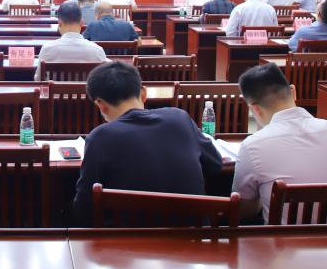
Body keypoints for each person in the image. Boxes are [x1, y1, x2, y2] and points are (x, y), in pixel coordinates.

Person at [73, 62, 222, 225]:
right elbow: (215, 164)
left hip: (127, 239)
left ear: (100, 104)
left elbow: (84, 207)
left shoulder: (100, 137)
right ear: (143, 93)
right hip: (194, 237)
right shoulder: (180, 118)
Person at [233, 63, 327, 221]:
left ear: (254, 109)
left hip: (284, 237)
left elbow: (244, 210)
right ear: (293, 92)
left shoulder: (252, 146)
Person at [38, 2, 107, 63]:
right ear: (81, 23)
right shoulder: (97, 51)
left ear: (59, 23)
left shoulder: (47, 49)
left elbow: (39, 74)